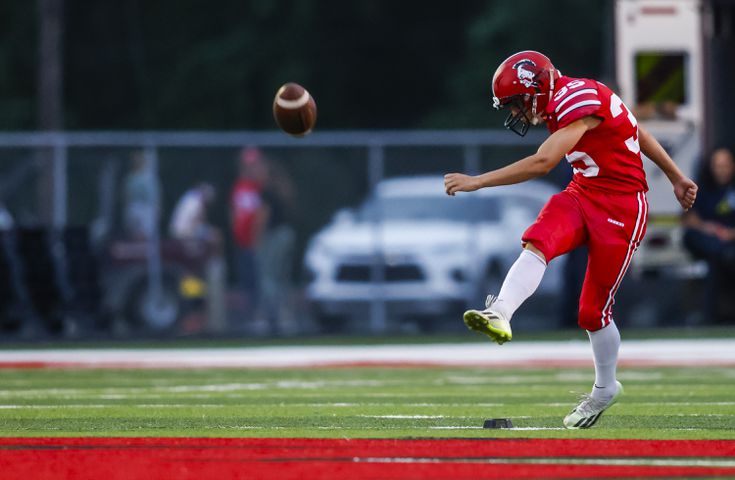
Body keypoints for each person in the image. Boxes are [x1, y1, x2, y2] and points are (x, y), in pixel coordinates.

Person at [444, 51, 697, 429]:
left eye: (516, 102)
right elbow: (635, 129)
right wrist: (676, 175)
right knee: (540, 238)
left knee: (591, 313)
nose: (516, 112)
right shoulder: (568, 97)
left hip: (623, 206)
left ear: (536, 87)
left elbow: (543, 163)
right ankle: (501, 311)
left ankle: (605, 388)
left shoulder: (576, 97)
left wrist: (477, 181)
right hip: (584, 192)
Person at [682, 148, 735, 322]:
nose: (722, 170)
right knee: (716, 252)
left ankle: (713, 315)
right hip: (705, 239)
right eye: (718, 165)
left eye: (725, 165)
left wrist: (730, 233)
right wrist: (707, 228)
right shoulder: (701, 187)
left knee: (722, 255)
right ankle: (710, 315)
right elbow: (688, 217)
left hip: (729, 242)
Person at [230, 147, 268, 326]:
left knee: (258, 282)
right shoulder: (239, 186)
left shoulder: (258, 188)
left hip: (255, 244)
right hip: (242, 243)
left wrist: (257, 240)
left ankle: (260, 317)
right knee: (247, 283)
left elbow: (261, 216)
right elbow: (234, 213)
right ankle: (250, 318)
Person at [122, 150, 160, 240]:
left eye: (139, 159)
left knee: (146, 233)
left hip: (147, 208)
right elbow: (126, 196)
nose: (137, 162)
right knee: (135, 233)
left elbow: (155, 196)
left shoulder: (149, 178)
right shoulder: (130, 178)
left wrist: (157, 208)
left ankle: (147, 252)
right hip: (134, 208)